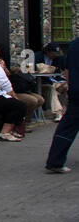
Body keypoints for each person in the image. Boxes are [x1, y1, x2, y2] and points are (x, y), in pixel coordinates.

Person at [44, 34, 79, 174]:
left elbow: (67, 70)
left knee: (67, 127)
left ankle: (55, 160)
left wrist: (70, 87)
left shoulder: (74, 45)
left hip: (76, 91)